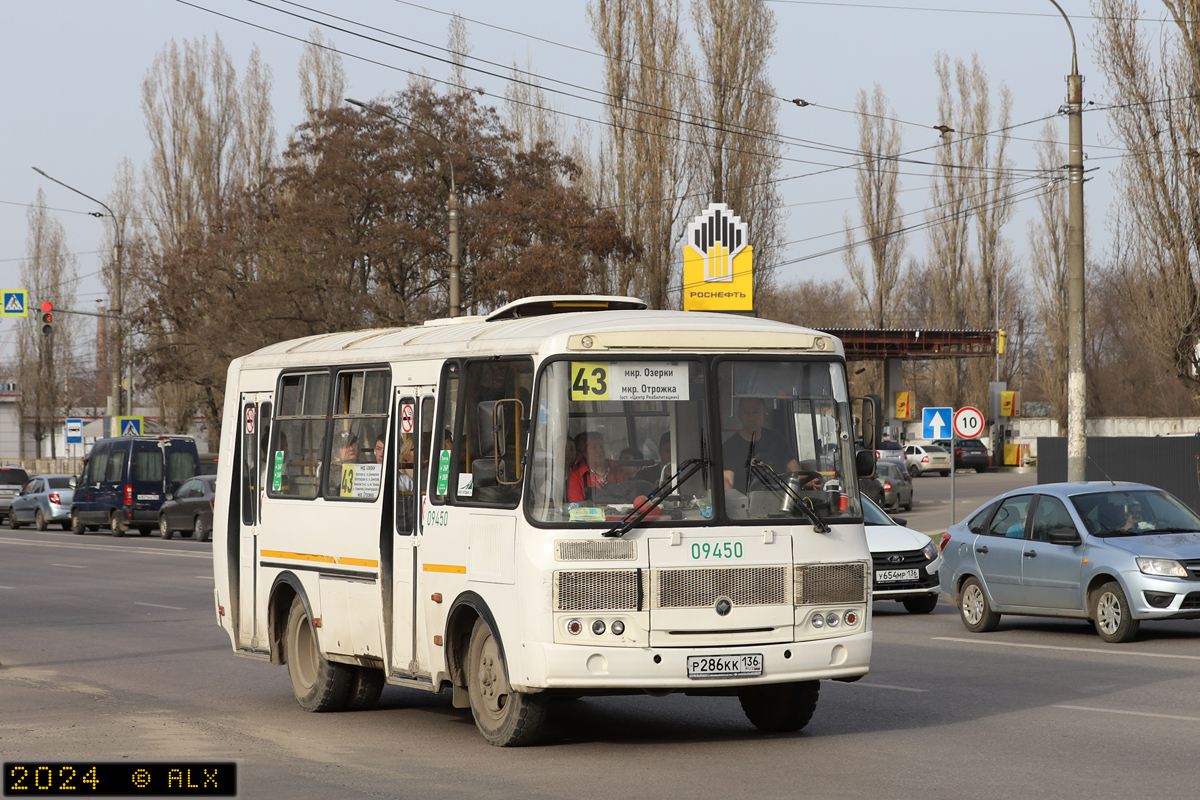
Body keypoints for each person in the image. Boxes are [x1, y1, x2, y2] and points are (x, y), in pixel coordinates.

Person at [722, 397, 802, 494]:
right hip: (747, 506)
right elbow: (727, 479)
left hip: (780, 502)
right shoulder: (730, 447)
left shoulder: (777, 440)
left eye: (756, 412)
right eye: (746, 412)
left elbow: (795, 471)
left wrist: (810, 481)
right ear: (740, 416)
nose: (751, 418)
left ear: (764, 415)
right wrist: (728, 497)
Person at [567, 431, 628, 503]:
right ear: (584, 452)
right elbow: (577, 506)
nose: (599, 450)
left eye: (602, 446)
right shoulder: (575, 475)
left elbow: (627, 497)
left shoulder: (617, 469)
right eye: (593, 447)